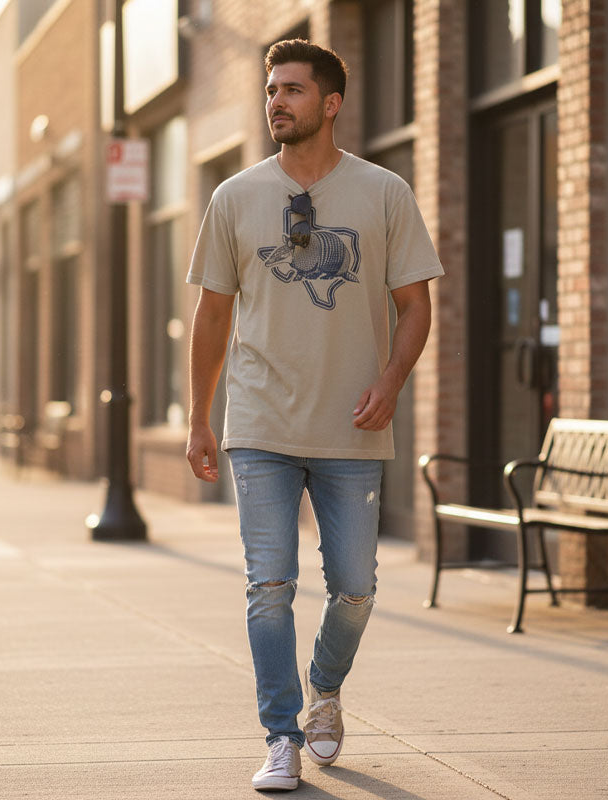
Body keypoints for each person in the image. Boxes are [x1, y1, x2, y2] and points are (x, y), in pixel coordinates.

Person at [186, 39, 443, 791]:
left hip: (351, 426)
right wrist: (201, 419)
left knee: (355, 586)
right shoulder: (233, 196)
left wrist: (393, 380)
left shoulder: (384, 192)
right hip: (260, 422)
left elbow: (415, 305)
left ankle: (325, 690)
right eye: (271, 90)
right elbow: (210, 316)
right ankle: (280, 735)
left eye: (292, 90)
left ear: (330, 104)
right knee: (269, 586)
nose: (277, 102)